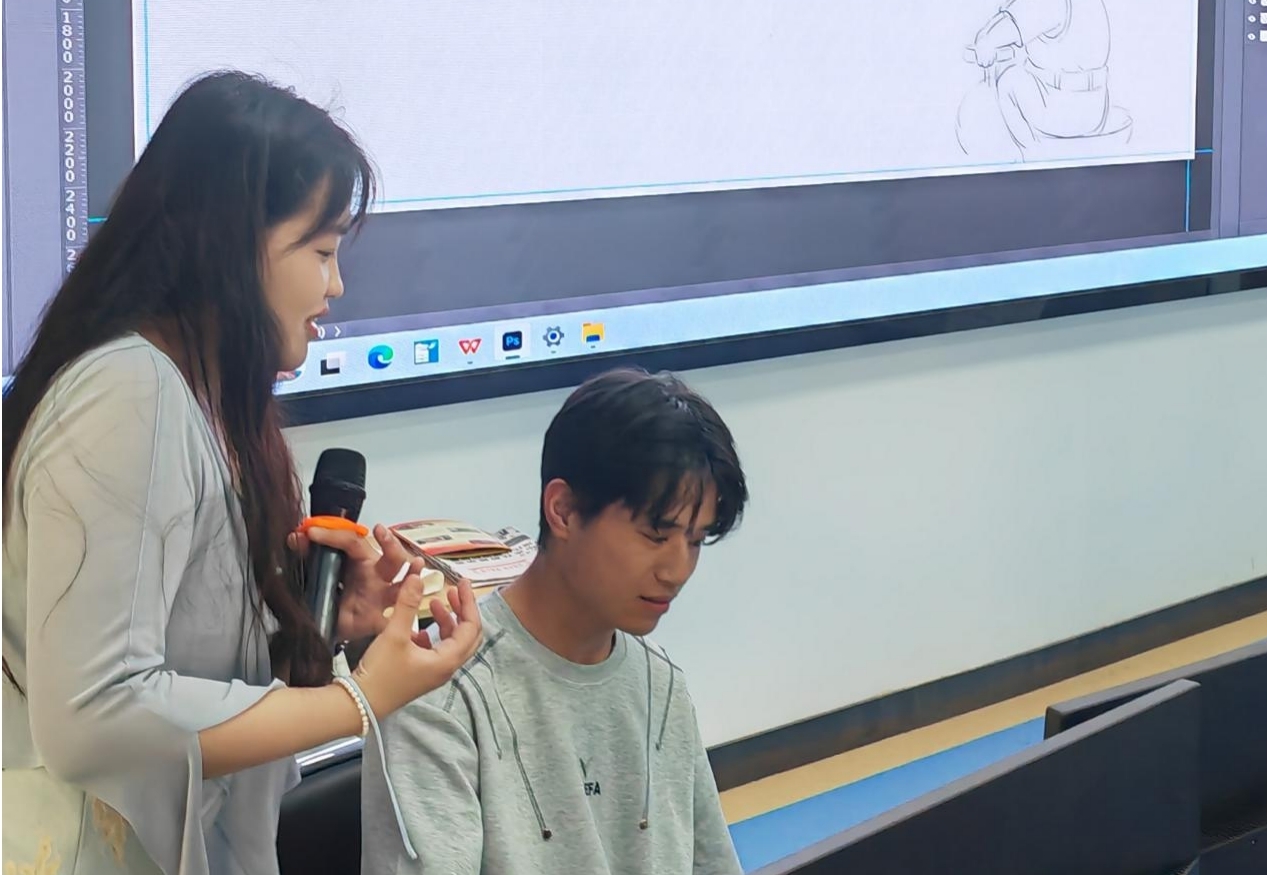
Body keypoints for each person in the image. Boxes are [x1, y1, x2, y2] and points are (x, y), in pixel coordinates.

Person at [1, 71, 481, 875]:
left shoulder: (201, 399)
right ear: (230, 244)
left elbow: (183, 671)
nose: (335, 285)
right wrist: (360, 700)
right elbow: (96, 715)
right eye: (320, 250)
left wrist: (319, 621)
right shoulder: (129, 392)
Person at [362, 368, 750, 875]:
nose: (677, 570)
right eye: (656, 536)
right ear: (563, 510)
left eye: (695, 541)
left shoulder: (662, 684)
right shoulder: (441, 694)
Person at [965, 0, 1115, 157]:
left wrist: (985, 43)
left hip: (1062, 108)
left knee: (1007, 81)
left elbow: (1002, 32)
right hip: (1095, 104)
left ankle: (1030, 155)